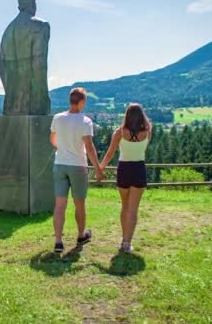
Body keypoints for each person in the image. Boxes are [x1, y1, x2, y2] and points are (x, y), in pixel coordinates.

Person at [50, 87, 105, 253]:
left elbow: (52, 140)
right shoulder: (85, 121)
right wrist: (98, 169)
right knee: (79, 204)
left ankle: (58, 241)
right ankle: (81, 235)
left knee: (60, 205)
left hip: (60, 164)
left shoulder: (58, 118)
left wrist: (63, 149)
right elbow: (89, 147)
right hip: (78, 166)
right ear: (81, 102)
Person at [100, 103, 152, 253]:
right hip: (139, 168)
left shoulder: (119, 132)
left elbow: (110, 153)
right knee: (134, 209)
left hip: (124, 169)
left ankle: (124, 238)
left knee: (125, 206)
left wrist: (100, 167)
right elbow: (144, 148)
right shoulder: (148, 131)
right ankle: (127, 242)